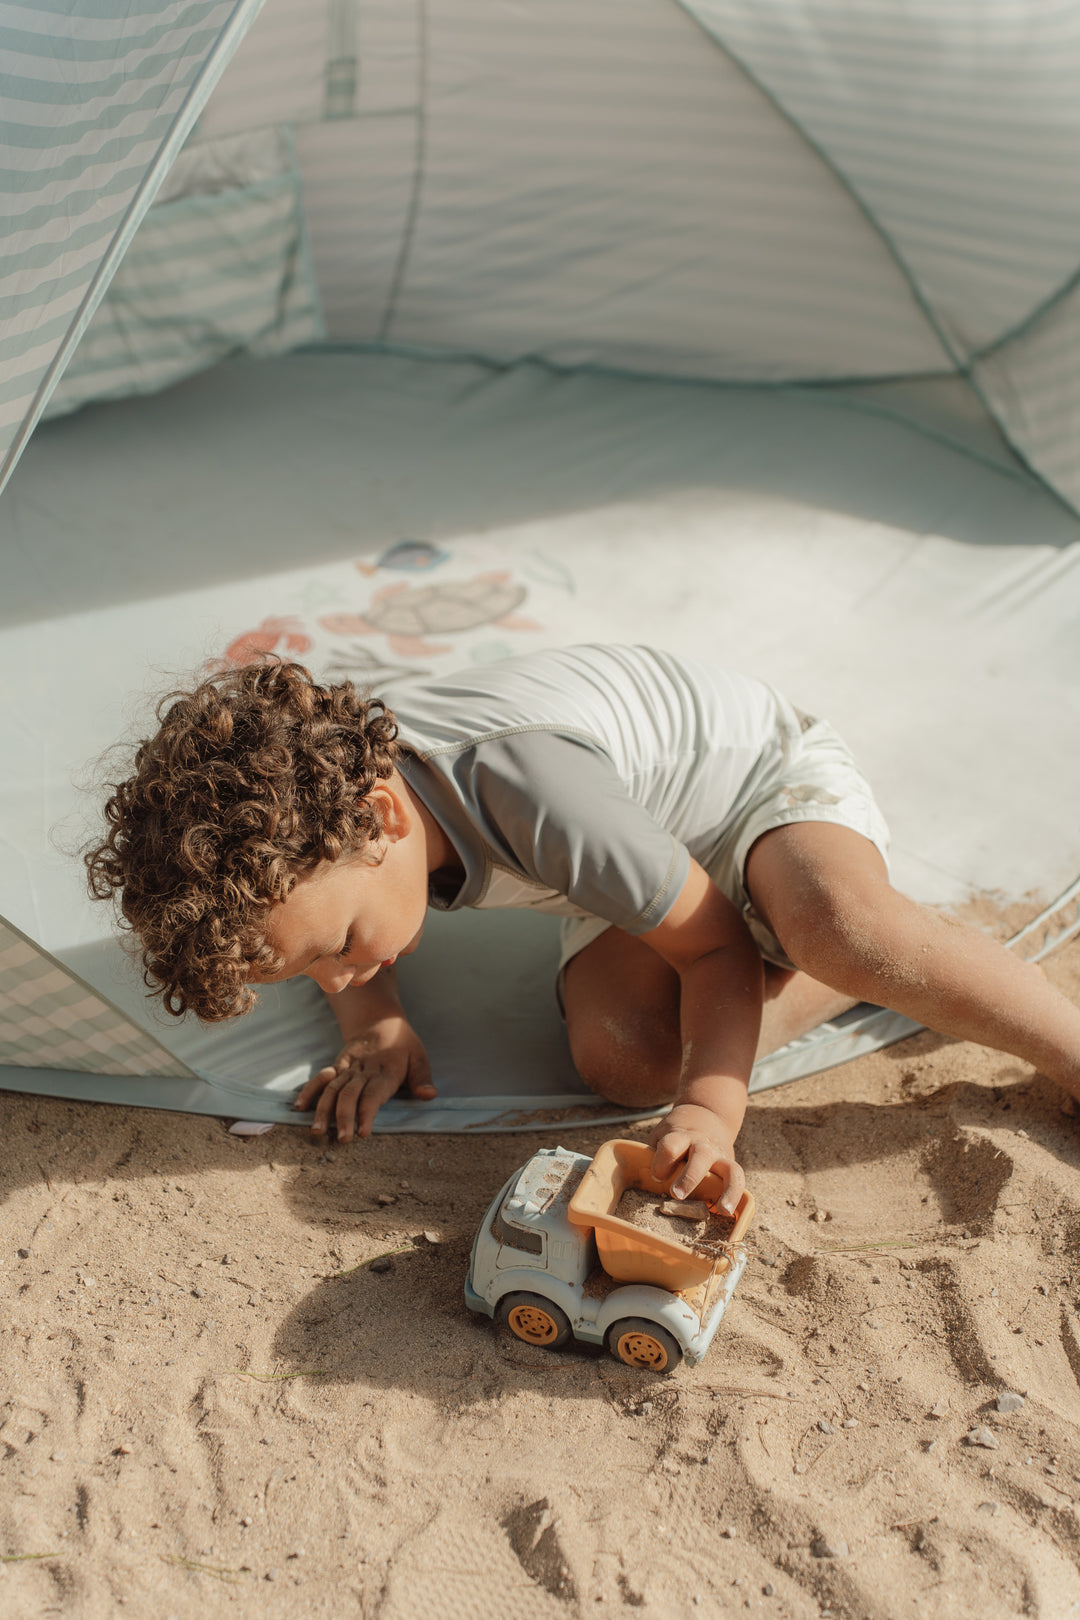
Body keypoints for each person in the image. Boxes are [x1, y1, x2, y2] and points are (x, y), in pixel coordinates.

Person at [85, 644, 1080, 1212]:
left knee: (840, 931)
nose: (340, 976)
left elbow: (712, 949)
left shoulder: (538, 801)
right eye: (318, 969)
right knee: (626, 1060)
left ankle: (970, 992)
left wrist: (711, 1115)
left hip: (751, 790)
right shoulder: (329, 803)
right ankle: (875, 961)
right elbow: (317, 914)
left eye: (342, 950)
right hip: (625, 870)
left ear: (383, 818)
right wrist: (373, 1021)